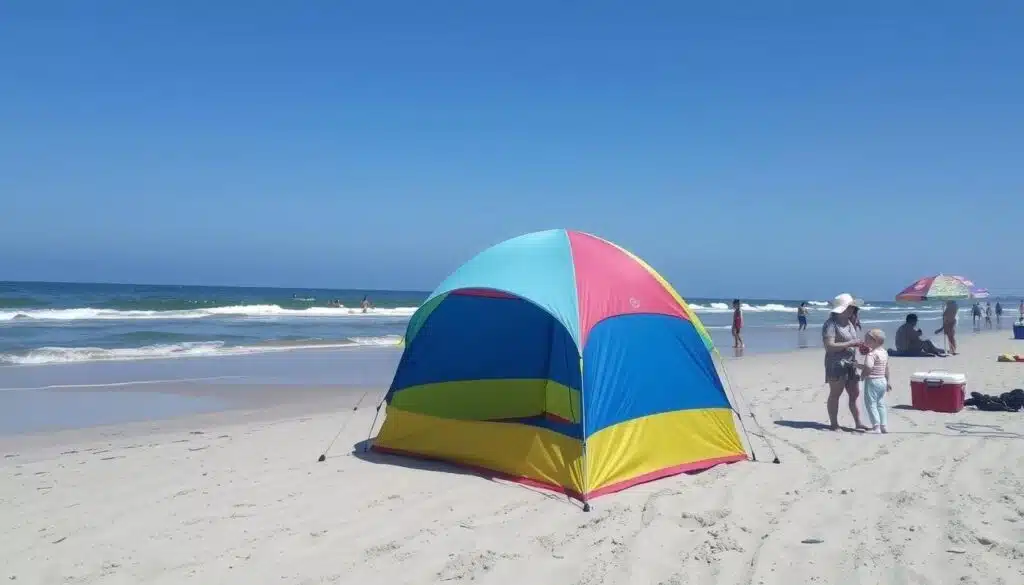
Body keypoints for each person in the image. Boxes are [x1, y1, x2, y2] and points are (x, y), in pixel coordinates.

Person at [822, 293, 869, 431]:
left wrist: (860, 346)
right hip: (836, 363)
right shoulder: (831, 324)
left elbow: (852, 342)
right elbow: (829, 347)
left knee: (854, 393)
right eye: (850, 307)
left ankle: (858, 422)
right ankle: (834, 424)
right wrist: (850, 343)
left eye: (853, 308)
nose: (852, 310)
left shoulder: (850, 322)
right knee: (835, 393)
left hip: (851, 362)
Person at [856, 329, 891, 434]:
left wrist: (862, 376)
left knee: (871, 404)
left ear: (874, 341)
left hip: (872, 381)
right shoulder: (884, 352)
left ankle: (876, 426)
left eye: (867, 339)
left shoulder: (871, 354)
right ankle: (883, 425)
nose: (864, 341)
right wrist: (888, 381)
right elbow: (886, 368)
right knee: (880, 403)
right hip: (882, 380)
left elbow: (868, 367)